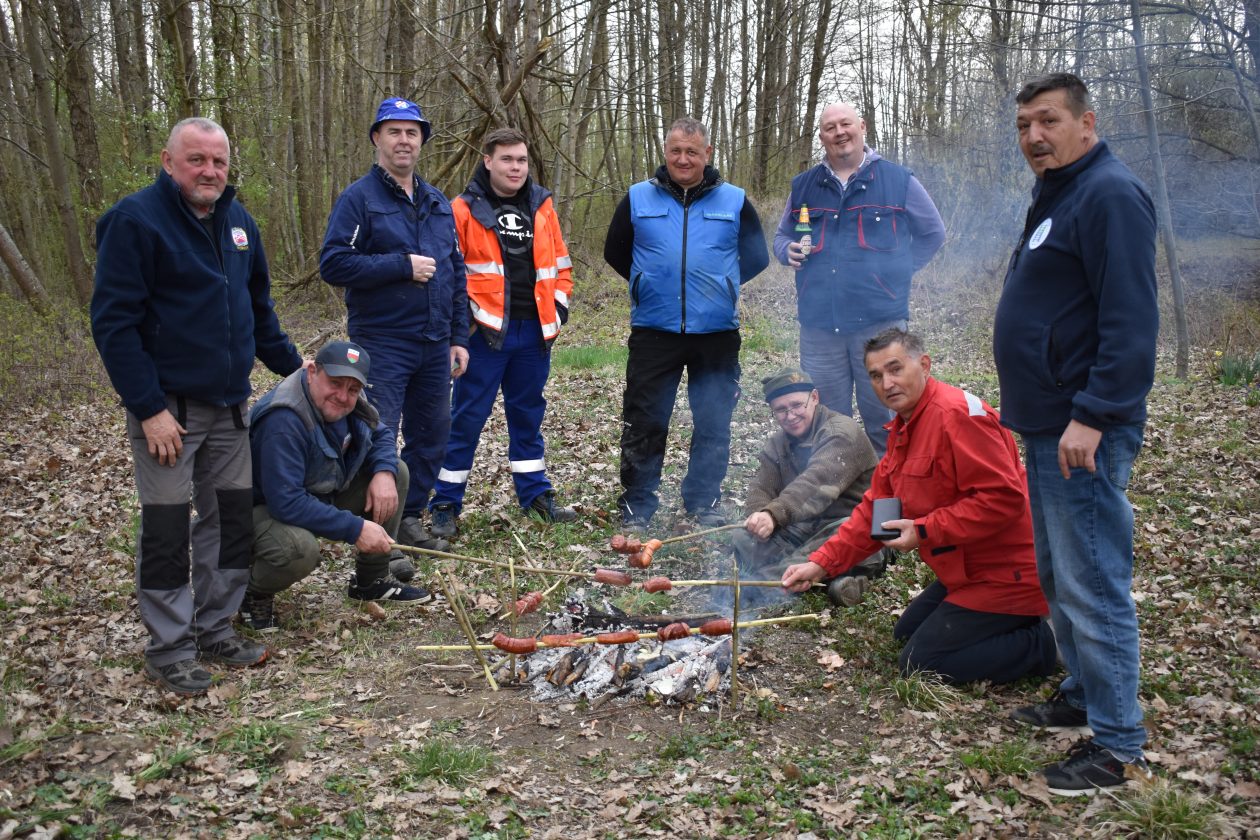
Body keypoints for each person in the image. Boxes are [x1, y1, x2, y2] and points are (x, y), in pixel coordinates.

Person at [91, 117, 304, 696]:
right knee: (166, 529)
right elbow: (114, 325)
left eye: (219, 161)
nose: (209, 171)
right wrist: (148, 407)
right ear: (169, 161)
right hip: (168, 413)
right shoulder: (136, 221)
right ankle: (170, 646)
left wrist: (298, 369)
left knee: (229, 524)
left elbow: (259, 314)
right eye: (197, 160)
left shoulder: (240, 224)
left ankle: (215, 627)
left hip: (232, 408)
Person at [994, 73, 1158, 795]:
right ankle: (1085, 696)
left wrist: (1091, 414)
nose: (1034, 136)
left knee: (1093, 583)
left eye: (1049, 121)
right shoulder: (1060, 193)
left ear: (1087, 121)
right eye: (1025, 124)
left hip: (1079, 428)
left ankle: (1119, 747)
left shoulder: (1110, 195)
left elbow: (1130, 322)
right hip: (1045, 423)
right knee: (1061, 577)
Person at [782, 329, 1057, 686]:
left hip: (1010, 572)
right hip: (964, 571)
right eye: (876, 376)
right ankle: (1014, 622)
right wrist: (821, 563)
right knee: (905, 635)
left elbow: (1003, 499)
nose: (887, 383)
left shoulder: (958, 416)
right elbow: (874, 512)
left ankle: (1051, 641)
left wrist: (925, 529)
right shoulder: (904, 428)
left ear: (924, 364)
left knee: (923, 662)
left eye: (895, 369)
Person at [603, 117, 770, 528]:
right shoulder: (638, 197)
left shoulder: (733, 200)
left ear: (707, 154)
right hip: (654, 331)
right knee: (645, 420)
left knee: (713, 421)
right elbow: (615, 251)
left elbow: (757, 256)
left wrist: (720, 285)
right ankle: (638, 504)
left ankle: (703, 502)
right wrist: (649, 283)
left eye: (692, 151)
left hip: (716, 334)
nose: (683, 158)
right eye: (676, 150)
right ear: (666, 151)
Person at [320, 97, 467, 553]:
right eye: (394, 131)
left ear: (421, 141)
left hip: (434, 342)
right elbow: (334, 263)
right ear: (377, 139)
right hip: (383, 341)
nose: (404, 140)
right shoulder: (358, 199)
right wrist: (400, 265)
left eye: (412, 132)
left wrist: (459, 337)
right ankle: (373, 534)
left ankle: (407, 516)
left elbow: (455, 273)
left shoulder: (437, 202)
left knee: (433, 435)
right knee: (376, 433)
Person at [427, 128, 576, 536]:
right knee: (466, 419)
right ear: (488, 160)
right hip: (484, 335)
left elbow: (561, 265)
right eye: (507, 159)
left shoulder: (542, 205)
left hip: (534, 334)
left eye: (522, 160)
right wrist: (463, 328)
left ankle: (536, 496)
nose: (516, 167)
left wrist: (558, 311)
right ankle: (444, 502)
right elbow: (449, 275)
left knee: (528, 416)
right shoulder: (461, 209)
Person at [773, 103, 945, 457]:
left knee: (885, 419)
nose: (839, 132)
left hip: (880, 328)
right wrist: (784, 250)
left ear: (862, 127)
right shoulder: (805, 185)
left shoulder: (898, 180)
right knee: (829, 425)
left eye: (845, 124)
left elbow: (933, 232)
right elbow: (781, 236)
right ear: (821, 136)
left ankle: (889, 502)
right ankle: (841, 505)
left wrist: (897, 273)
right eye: (830, 127)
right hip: (820, 328)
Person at [240, 342, 432, 632]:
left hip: (316, 493)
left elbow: (380, 433)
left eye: (353, 389)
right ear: (313, 372)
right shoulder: (284, 418)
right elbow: (286, 502)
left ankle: (371, 581)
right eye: (335, 383)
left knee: (396, 472)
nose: (343, 396)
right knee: (299, 550)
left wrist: (383, 472)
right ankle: (251, 591)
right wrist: (355, 528)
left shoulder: (350, 398)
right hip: (259, 512)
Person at [733, 367, 886, 607]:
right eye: (781, 410)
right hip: (804, 526)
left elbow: (815, 484)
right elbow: (762, 487)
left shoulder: (841, 432)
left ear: (814, 398)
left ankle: (760, 587)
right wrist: (759, 515)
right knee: (743, 537)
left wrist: (774, 515)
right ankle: (829, 578)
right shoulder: (777, 443)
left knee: (841, 539)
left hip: (850, 523)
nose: (790, 416)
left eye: (796, 405)